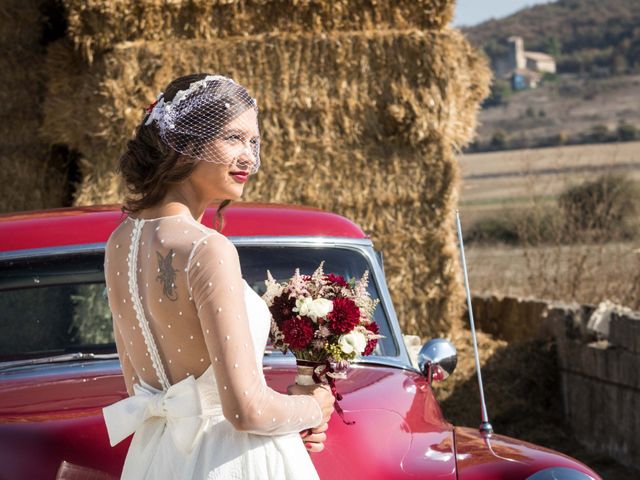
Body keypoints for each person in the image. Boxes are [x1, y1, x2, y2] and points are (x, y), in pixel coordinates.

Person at [101, 73, 335, 479]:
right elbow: (247, 411)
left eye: (254, 142)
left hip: (155, 459)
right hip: (230, 462)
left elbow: (140, 386)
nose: (249, 157)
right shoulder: (206, 248)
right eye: (233, 138)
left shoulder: (119, 243)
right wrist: (314, 406)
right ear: (185, 143)